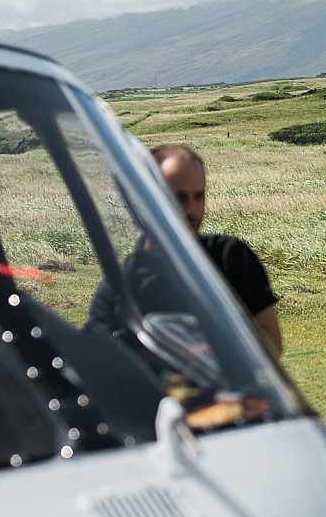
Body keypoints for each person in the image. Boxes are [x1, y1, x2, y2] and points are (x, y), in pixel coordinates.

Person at [88, 142, 282, 357]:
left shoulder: (231, 258)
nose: (191, 210)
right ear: (145, 199)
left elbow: (271, 340)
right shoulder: (120, 287)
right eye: (179, 198)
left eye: (199, 196)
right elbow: (98, 363)